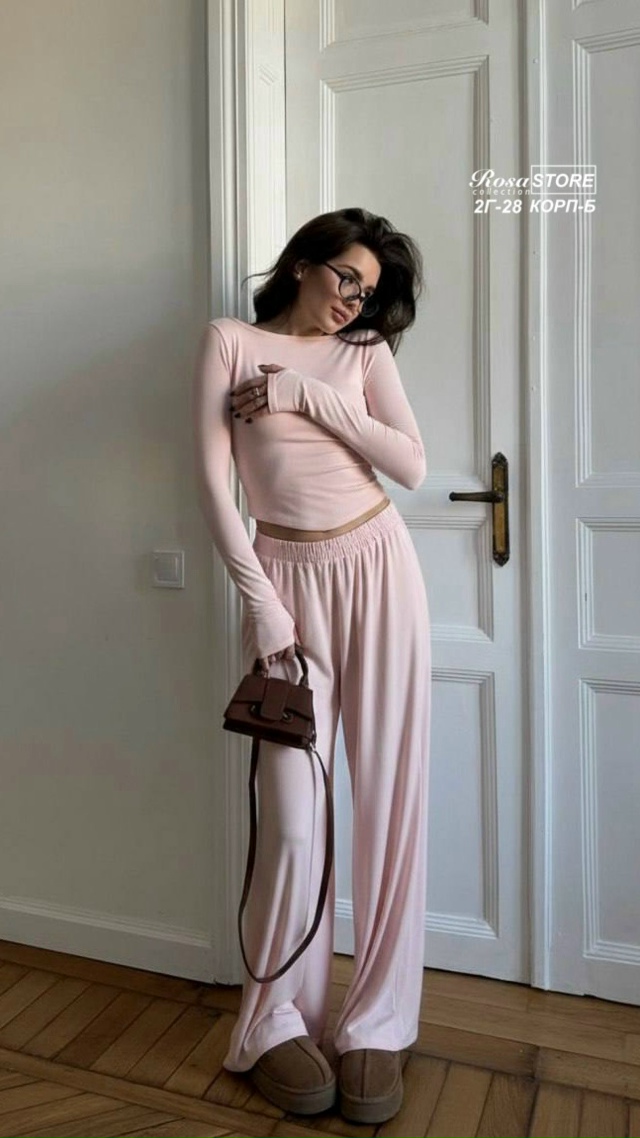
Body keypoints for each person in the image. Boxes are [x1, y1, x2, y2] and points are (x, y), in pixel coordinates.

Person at [192, 207, 431, 1125]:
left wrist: (304, 394)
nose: (353, 301)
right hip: (285, 585)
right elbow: (214, 487)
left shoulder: (362, 354)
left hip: (378, 568)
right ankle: (272, 1020)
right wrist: (262, 606)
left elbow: (410, 464)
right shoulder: (228, 342)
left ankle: (379, 1020)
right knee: (293, 823)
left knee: (391, 802)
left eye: (367, 292)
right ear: (303, 264)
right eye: (345, 279)